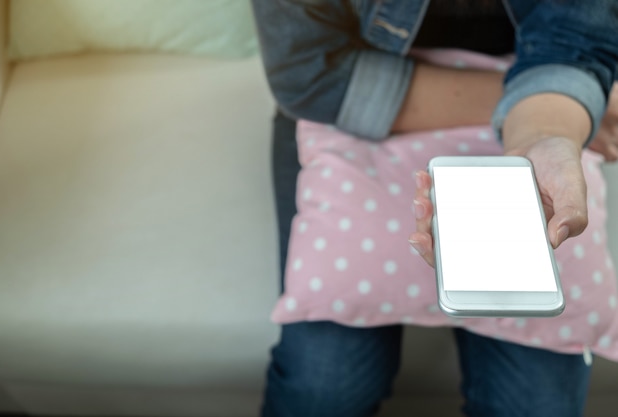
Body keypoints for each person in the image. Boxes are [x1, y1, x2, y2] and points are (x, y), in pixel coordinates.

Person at [250, 1, 618, 416]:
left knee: (535, 402)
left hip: (541, 100)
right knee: (323, 385)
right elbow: (311, 76)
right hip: (352, 108)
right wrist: (567, 97)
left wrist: (550, 126)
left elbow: (575, 42)